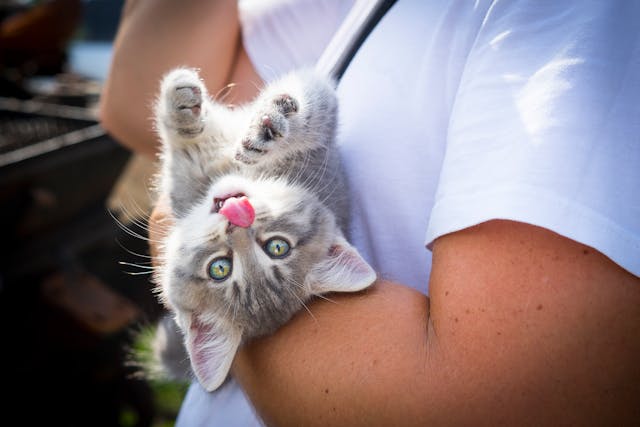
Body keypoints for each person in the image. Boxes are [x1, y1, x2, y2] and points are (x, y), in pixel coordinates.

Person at [100, 0, 640, 426]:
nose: (237, 225)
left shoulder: (581, 18)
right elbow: (141, 98)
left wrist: (180, 236)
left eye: (225, 262)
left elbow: (497, 408)